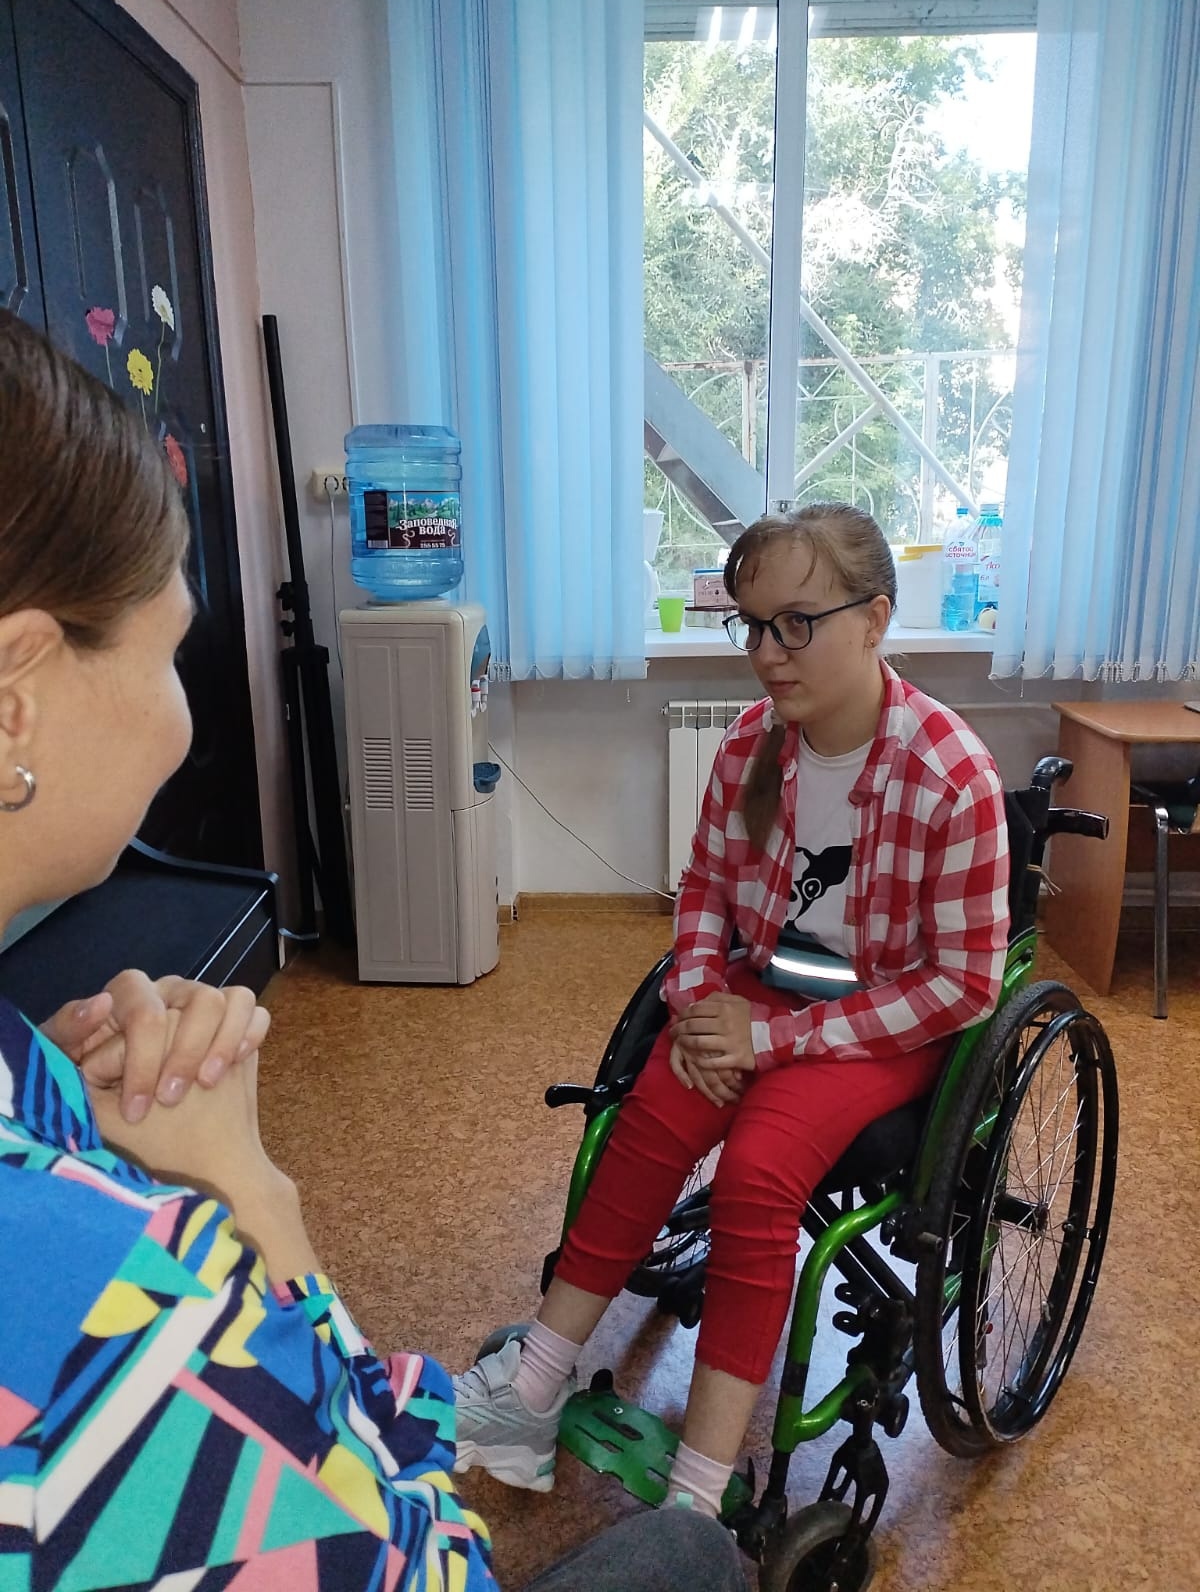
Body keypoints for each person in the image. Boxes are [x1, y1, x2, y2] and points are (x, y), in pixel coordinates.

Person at [0, 311, 748, 1592]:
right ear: (17, 691)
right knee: (688, 1557)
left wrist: (67, 1128)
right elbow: (429, 1567)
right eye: (172, 652)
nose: (185, 719)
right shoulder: (111, 1303)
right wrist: (249, 1198)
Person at [455, 503, 1010, 1519]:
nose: (766, 652)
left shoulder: (949, 774)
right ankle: (532, 1387)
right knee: (653, 1110)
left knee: (757, 1175)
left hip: (886, 1017)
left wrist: (775, 1037)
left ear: (875, 619)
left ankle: (697, 1500)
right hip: (768, 986)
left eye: (796, 624)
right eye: (752, 625)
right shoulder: (755, 743)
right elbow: (706, 889)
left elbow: (964, 986)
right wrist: (700, 1000)